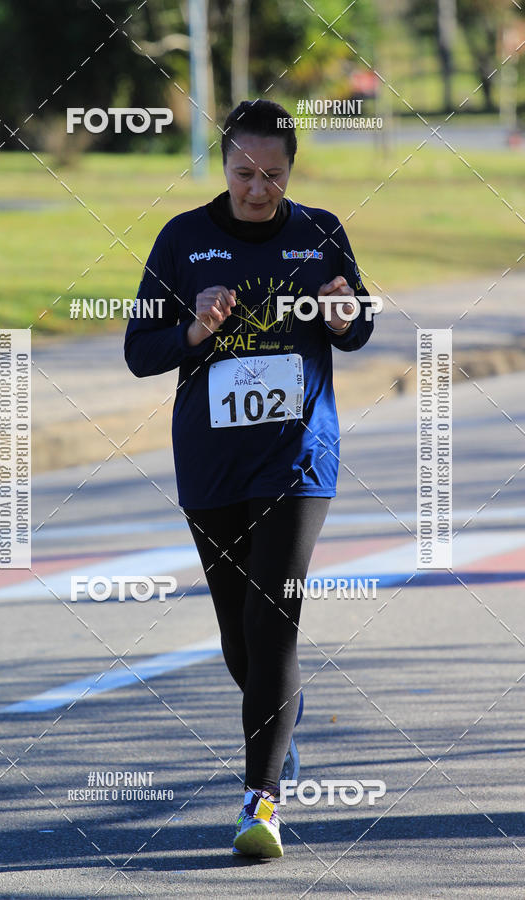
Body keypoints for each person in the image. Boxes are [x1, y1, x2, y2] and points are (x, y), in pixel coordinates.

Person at [125, 99, 375, 858]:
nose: (257, 189)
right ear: (223, 166)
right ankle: (281, 723)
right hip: (210, 462)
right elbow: (141, 351)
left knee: (273, 623)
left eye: (272, 174)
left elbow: (359, 325)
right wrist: (194, 328)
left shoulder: (320, 232)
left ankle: (259, 803)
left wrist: (342, 317)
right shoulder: (184, 240)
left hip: (300, 458)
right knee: (240, 635)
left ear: (292, 170)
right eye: (243, 173)